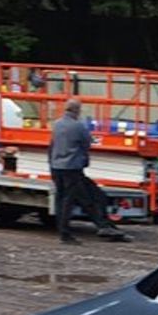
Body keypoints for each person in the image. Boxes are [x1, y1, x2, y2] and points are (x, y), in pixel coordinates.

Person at [49, 98, 125, 243]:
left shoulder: (57, 124)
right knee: (77, 199)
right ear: (77, 110)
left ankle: (101, 226)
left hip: (57, 167)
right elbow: (87, 143)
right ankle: (67, 234)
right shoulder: (78, 126)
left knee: (63, 199)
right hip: (72, 168)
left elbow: (52, 145)